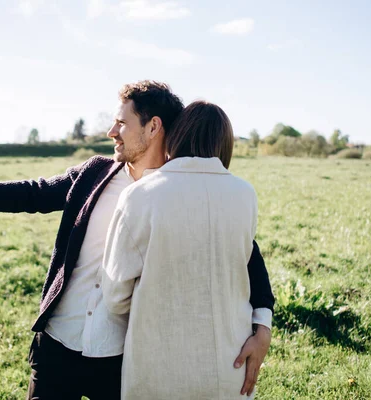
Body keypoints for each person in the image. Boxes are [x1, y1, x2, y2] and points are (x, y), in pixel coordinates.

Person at [0, 81, 273, 400]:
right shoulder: (95, 173)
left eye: (121, 123)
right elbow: (35, 192)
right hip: (59, 341)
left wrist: (262, 327)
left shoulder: (181, 192)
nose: (112, 132)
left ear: (153, 126)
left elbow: (245, 256)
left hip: (123, 357)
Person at [102, 100, 265, 399]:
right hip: (231, 365)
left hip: (158, 369)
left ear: (176, 136)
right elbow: (248, 267)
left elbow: (114, 294)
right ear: (224, 143)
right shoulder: (245, 194)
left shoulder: (139, 196)